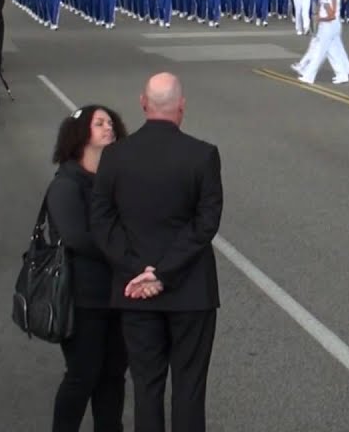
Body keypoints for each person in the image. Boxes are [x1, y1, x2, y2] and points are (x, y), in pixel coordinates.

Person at [89, 73, 223, 432]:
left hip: (135, 291)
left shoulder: (115, 156)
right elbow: (205, 224)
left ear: (143, 104)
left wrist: (138, 270)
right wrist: (163, 272)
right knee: (189, 389)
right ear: (182, 105)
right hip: (191, 291)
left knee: (147, 387)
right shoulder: (203, 155)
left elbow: (101, 221)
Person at [46, 105, 130, 432]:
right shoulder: (66, 184)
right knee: (83, 375)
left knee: (113, 375)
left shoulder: (117, 180)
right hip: (83, 299)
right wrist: (127, 254)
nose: (108, 127)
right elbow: (78, 237)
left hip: (118, 295)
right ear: (81, 135)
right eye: (99, 123)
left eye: (111, 122)